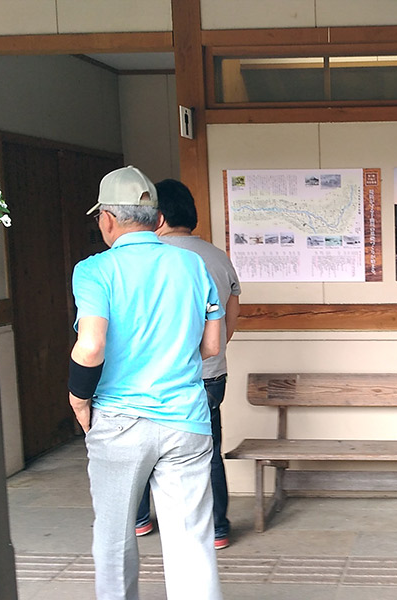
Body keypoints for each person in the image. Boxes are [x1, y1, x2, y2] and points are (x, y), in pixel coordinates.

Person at [68, 166, 223, 600]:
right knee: (192, 540)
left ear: (108, 219)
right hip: (186, 419)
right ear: (156, 219)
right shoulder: (192, 264)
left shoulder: (94, 270)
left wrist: (79, 399)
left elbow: (91, 345)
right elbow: (212, 346)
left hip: (119, 420)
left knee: (115, 538)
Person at [135, 178, 241, 550]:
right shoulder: (217, 256)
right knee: (208, 450)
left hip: (158, 376)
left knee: (144, 446)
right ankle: (218, 528)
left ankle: (141, 520)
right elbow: (231, 315)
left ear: (157, 215)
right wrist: (211, 351)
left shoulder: (149, 257)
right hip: (211, 375)